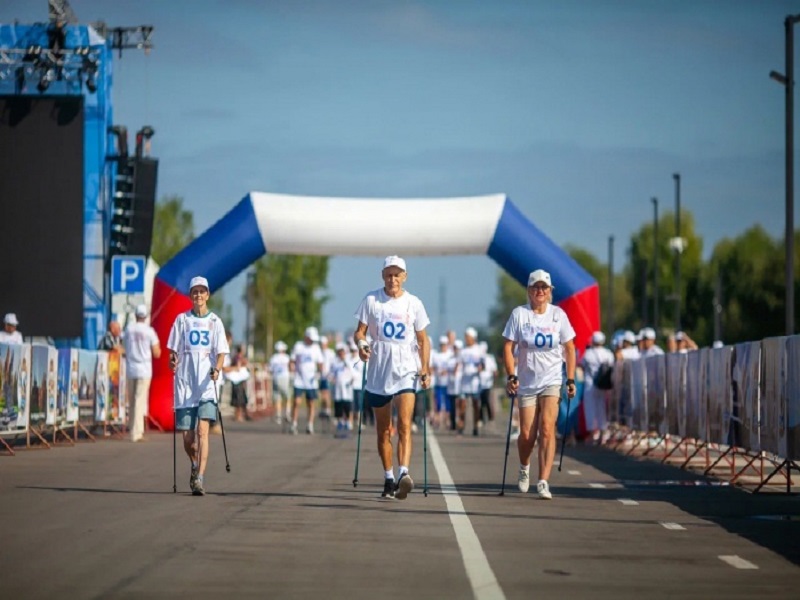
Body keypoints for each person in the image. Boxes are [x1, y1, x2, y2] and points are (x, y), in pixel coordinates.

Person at [354, 255, 431, 500]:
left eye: (397, 274)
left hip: (406, 369)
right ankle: (389, 477)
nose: (393, 279)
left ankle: (403, 474)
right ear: (382, 276)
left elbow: (422, 339)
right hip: (379, 370)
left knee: (404, 425)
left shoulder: (414, 303)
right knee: (383, 430)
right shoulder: (372, 300)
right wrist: (362, 345)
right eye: (389, 274)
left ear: (404, 277)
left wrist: (425, 368)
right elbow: (360, 332)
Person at [503, 269, 576, 500]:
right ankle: (524, 466)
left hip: (552, 379)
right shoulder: (519, 315)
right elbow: (508, 346)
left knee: (547, 428)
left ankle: (543, 480)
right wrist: (511, 375)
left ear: (550, 291)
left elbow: (570, 348)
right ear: (529, 290)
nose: (540, 291)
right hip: (526, 381)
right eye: (536, 287)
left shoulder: (558, 315)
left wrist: (570, 378)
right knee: (527, 435)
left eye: (544, 288)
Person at [167, 276, 229, 496]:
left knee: (203, 432)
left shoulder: (215, 322)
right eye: (195, 292)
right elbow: (172, 351)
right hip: (185, 384)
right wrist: (172, 360)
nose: (199, 296)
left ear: (208, 295)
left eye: (202, 292)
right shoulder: (182, 320)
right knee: (187, 438)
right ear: (191, 296)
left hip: (206, 385)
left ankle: (200, 478)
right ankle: (194, 465)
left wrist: (217, 369)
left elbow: (221, 352)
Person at [123, 304, 161, 442]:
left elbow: (124, 346)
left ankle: (133, 428)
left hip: (131, 368)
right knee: (139, 401)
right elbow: (157, 352)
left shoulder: (129, 329)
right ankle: (136, 433)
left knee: (132, 401)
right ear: (145, 316)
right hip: (144, 369)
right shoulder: (150, 331)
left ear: (135, 315)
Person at [581, 331, 615, 444]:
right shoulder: (608, 353)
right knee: (601, 408)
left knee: (590, 408)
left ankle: (592, 434)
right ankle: (602, 433)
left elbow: (581, 364)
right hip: (603, 384)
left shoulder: (588, 353)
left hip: (590, 384)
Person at [289, 326, 324, 434]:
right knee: (297, 401)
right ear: (306, 337)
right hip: (299, 379)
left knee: (311, 403)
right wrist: (291, 368)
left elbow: (320, 363)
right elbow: (292, 360)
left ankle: (310, 425)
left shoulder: (316, 348)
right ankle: (294, 424)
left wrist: (319, 372)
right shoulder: (299, 346)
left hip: (311, 380)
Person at [458, 326, 483, 436]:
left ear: (473, 338)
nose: (466, 339)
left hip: (475, 382)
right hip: (465, 382)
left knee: (475, 404)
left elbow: (483, 364)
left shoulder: (479, 350)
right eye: (465, 337)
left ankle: (475, 425)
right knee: (462, 405)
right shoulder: (463, 351)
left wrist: (480, 368)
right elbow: (459, 365)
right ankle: (461, 426)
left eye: (468, 337)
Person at [330, 342, 354, 436]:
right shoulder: (335, 362)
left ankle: (348, 421)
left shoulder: (349, 361)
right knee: (338, 406)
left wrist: (345, 361)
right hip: (337, 389)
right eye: (339, 352)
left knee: (347, 406)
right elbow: (331, 373)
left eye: (342, 352)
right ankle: (340, 422)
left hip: (347, 388)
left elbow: (353, 373)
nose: (341, 354)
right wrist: (332, 379)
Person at [430, 336, 451, 430]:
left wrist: (446, 371)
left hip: (448, 383)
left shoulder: (450, 355)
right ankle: (438, 420)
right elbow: (433, 367)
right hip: (438, 383)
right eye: (441, 345)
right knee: (437, 403)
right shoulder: (436, 356)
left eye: (444, 345)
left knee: (447, 404)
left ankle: (447, 421)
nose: (443, 346)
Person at [226, 344, 251, 422]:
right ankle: (238, 416)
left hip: (239, 380)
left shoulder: (236, 357)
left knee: (241, 399)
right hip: (237, 380)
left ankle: (242, 415)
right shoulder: (238, 357)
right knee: (238, 399)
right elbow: (238, 366)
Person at [269, 341, 291, 425]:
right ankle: (287, 413)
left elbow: (270, 369)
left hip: (275, 378)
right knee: (287, 396)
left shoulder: (273, 358)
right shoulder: (286, 357)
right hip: (284, 378)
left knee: (278, 397)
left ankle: (278, 416)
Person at [478, 341, 497, 426]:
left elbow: (494, 370)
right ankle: (481, 418)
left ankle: (490, 417)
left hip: (488, 383)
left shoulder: (490, 358)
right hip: (479, 383)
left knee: (487, 400)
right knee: (481, 402)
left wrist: (494, 376)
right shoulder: (478, 358)